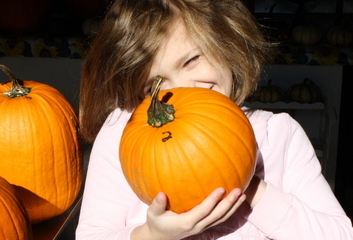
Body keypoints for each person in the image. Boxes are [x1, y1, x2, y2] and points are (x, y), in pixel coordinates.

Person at [76, 0, 353, 239]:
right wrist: (152, 235)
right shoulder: (120, 136)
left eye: (191, 60)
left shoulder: (279, 136)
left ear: (225, 41)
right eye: (155, 88)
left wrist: (250, 188)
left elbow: (340, 235)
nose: (184, 89)